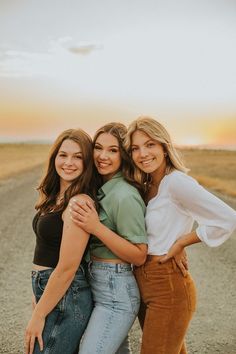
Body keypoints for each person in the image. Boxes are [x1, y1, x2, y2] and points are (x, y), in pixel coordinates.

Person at [124, 116, 236, 354]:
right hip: (145, 283)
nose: (142, 153)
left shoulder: (176, 183)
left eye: (150, 144)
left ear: (164, 147)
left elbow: (227, 218)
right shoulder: (147, 185)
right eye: (135, 148)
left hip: (168, 285)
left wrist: (183, 241)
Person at [69, 122, 148, 354]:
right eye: (98, 147)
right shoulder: (104, 188)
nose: (103, 156)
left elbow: (140, 254)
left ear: (123, 155)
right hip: (99, 285)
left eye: (113, 150)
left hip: (116, 292)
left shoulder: (124, 195)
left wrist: (96, 227)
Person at [24, 129, 97, 354]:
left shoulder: (79, 203)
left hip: (68, 295)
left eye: (78, 157)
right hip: (52, 290)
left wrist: (37, 316)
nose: (69, 162)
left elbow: (67, 268)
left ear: (87, 163)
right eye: (63, 155)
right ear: (54, 156)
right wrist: (38, 299)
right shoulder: (56, 197)